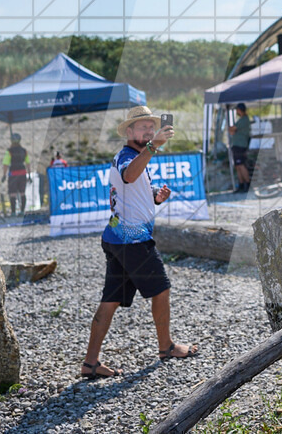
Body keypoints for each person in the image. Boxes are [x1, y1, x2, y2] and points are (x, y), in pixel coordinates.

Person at [80, 106, 197, 380]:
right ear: (129, 131)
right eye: (141, 127)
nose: (147, 131)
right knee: (162, 289)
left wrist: (156, 196)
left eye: (150, 127)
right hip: (132, 240)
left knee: (110, 301)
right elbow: (129, 175)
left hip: (116, 237)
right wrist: (154, 146)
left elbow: (132, 188)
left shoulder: (137, 156)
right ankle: (166, 347)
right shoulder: (127, 155)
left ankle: (91, 362)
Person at [1, 133, 31, 214]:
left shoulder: (9, 151)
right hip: (23, 173)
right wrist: (29, 174)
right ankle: (22, 211)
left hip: (13, 173)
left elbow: (5, 164)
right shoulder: (24, 151)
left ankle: (13, 212)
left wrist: (4, 175)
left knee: (12, 193)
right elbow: (28, 163)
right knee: (22, 193)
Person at [228, 102, 252, 193]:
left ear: (239, 110)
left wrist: (232, 129)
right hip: (237, 145)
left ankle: (247, 183)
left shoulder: (244, 120)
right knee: (238, 166)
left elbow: (232, 129)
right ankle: (241, 184)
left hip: (240, 145)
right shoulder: (241, 119)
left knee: (241, 165)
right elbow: (232, 131)